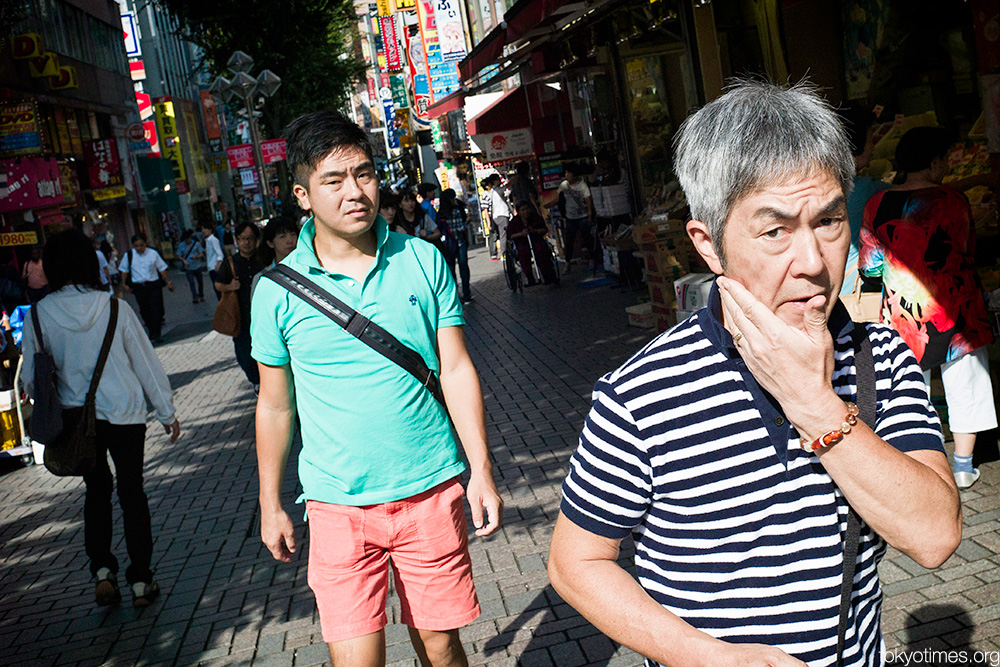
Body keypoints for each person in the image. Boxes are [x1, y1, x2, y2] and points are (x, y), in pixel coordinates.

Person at [548, 79, 961, 667]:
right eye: (774, 232)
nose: (814, 263)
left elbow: (935, 535)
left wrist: (816, 406)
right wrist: (706, 655)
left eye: (828, 221)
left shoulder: (881, 357)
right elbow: (576, 562)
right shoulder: (641, 394)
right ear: (709, 245)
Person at [252, 110, 503, 666]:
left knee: (441, 648)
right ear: (302, 194)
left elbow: (457, 368)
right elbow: (274, 404)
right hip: (336, 503)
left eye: (363, 174)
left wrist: (481, 469)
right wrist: (270, 502)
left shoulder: (421, 259)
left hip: (430, 489)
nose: (354, 192)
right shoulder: (275, 291)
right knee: (357, 660)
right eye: (333, 181)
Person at [21, 228, 180, 608]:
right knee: (132, 493)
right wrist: (166, 411)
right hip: (124, 414)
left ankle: (102, 570)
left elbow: (31, 378)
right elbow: (145, 363)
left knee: (96, 493)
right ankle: (141, 580)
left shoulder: (39, 315)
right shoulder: (114, 307)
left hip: (75, 420)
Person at [860, 126, 997, 490]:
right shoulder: (953, 200)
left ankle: (920, 461)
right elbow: (965, 248)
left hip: (905, 315)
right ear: (935, 161)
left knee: (910, 390)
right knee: (967, 384)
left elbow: (869, 266)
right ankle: (964, 466)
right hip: (957, 310)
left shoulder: (877, 204)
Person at [837, 104, 890, 296]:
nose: (873, 146)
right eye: (870, 139)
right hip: (856, 289)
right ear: (856, 143)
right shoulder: (868, 189)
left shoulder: (822, 186)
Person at [215, 222, 265, 390]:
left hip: (263, 316)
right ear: (236, 240)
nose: (246, 243)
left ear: (257, 240)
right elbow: (218, 284)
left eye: (250, 238)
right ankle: (256, 382)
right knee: (245, 355)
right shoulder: (230, 263)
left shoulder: (263, 259)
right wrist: (230, 287)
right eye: (242, 239)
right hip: (241, 317)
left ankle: (265, 384)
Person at [118, 233, 174, 344]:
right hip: (139, 287)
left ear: (146, 243)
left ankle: (157, 333)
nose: (139, 248)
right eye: (136, 246)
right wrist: (124, 284)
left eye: (141, 245)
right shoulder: (129, 255)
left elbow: (162, 269)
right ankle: (151, 330)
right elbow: (124, 270)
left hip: (153, 285)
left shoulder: (153, 254)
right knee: (144, 310)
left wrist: (169, 282)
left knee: (156, 309)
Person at [507, 201, 557, 286]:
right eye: (523, 210)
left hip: (536, 240)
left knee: (541, 251)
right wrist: (521, 234)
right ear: (519, 212)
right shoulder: (514, 222)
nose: (526, 211)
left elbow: (544, 230)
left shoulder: (536, 218)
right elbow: (510, 236)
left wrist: (535, 230)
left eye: (527, 209)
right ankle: (530, 278)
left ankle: (547, 275)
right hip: (522, 243)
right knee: (523, 254)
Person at [437, 188, 473, 304]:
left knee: (451, 270)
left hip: (447, 245)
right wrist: (466, 221)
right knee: (463, 267)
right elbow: (461, 227)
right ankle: (466, 294)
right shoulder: (456, 210)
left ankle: (455, 296)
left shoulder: (440, 213)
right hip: (459, 241)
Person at [557, 162, 594, 272]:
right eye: (566, 173)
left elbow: (588, 200)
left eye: (568, 173)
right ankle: (567, 263)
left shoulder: (582, 185)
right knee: (569, 241)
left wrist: (590, 214)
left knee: (587, 238)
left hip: (582, 215)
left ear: (574, 174)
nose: (566, 175)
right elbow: (559, 198)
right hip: (570, 216)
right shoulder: (564, 185)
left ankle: (592, 259)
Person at [483, 174, 512, 261]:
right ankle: (504, 254)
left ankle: (507, 252)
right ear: (494, 182)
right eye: (498, 180)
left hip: (497, 216)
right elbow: (506, 186)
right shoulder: (497, 190)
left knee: (503, 234)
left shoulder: (492, 191)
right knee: (504, 235)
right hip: (501, 215)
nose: (499, 181)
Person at [176, 229, 206, 304]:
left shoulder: (196, 244)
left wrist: (196, 257)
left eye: (189, 238)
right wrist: (183, 260)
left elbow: (202, 253)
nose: (188, 240)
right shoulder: (181, 245)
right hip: (188, 267)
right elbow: (179, 255)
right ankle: (195, 297)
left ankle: (201, 295)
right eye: (186, 239)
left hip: (197, 266)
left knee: (200, 282)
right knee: (191, 282)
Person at [199, 221, 225, 300]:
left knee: (218, 288)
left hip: (214, 267)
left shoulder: (213, 240)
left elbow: (220, 253)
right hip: (211, 266)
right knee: (216, 288)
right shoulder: (207, 240)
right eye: (202, 229)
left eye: (205, 229)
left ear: (210, 230)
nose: (203, 230)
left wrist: (217, 264)